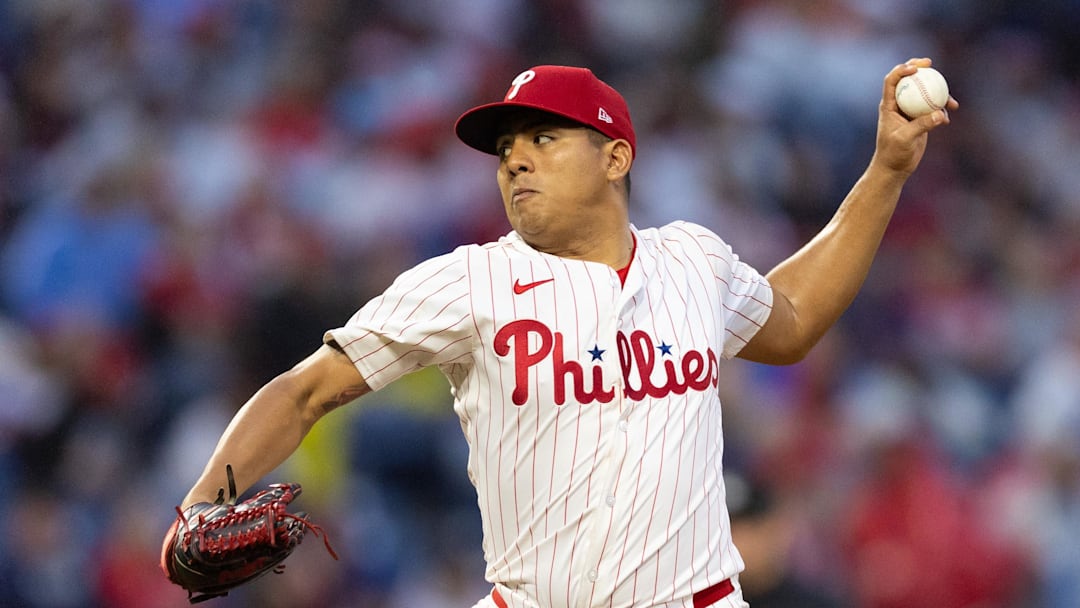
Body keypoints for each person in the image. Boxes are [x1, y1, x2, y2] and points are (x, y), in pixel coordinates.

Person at [168, 59, 956, 607]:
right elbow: (305, 390)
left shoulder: (694, 259)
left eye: (543, 138)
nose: (515, 161)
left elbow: (791, 323)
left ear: (615, 157)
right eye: (506, 149)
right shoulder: (468, 282)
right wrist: (202, 502)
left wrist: (886, 171)